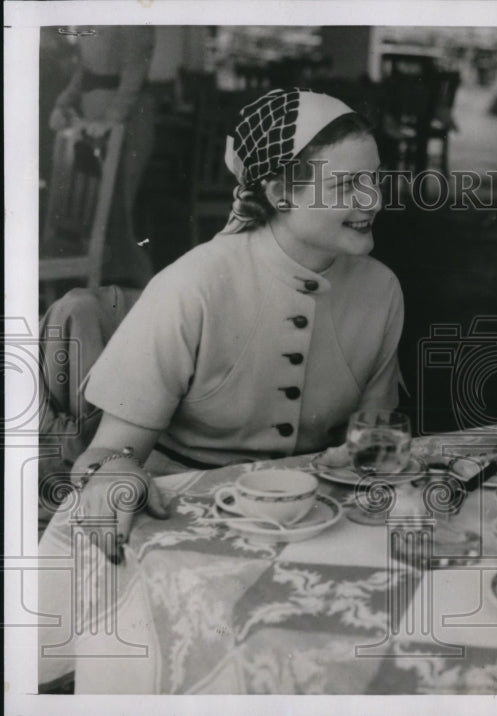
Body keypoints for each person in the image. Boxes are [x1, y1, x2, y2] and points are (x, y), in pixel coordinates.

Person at [44, 88, 402, 562]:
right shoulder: (192, 287)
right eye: (347, 185)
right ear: (279, 193)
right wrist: (114, 475)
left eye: (375, 179)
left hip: (314, 519)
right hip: (179, 516)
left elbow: (375, 440)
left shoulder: (383, 290)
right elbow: (107, 455)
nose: (373, 199)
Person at [47, 26, 158, 287]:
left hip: (128, 125)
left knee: (119, 213)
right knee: (98, 216)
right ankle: (103, 293)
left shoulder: (136, 21)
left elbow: (134, 75)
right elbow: (84, 72)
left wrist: (111, 121)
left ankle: (142, 291)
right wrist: (63, 103)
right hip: (93, 122)